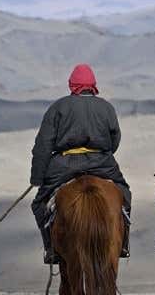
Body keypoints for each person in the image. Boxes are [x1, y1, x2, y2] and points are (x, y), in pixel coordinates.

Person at [30, 64, 131, 264]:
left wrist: (37, 178)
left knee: (39, 204)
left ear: (72, 85)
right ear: (93, 85)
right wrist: (101, 153)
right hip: (101, 161)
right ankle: (123, 244)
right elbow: (114, 139)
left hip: (64, 164)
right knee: (124, 195)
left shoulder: (58, 107)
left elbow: (43, 144)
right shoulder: (106, 107)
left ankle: (51, 249)